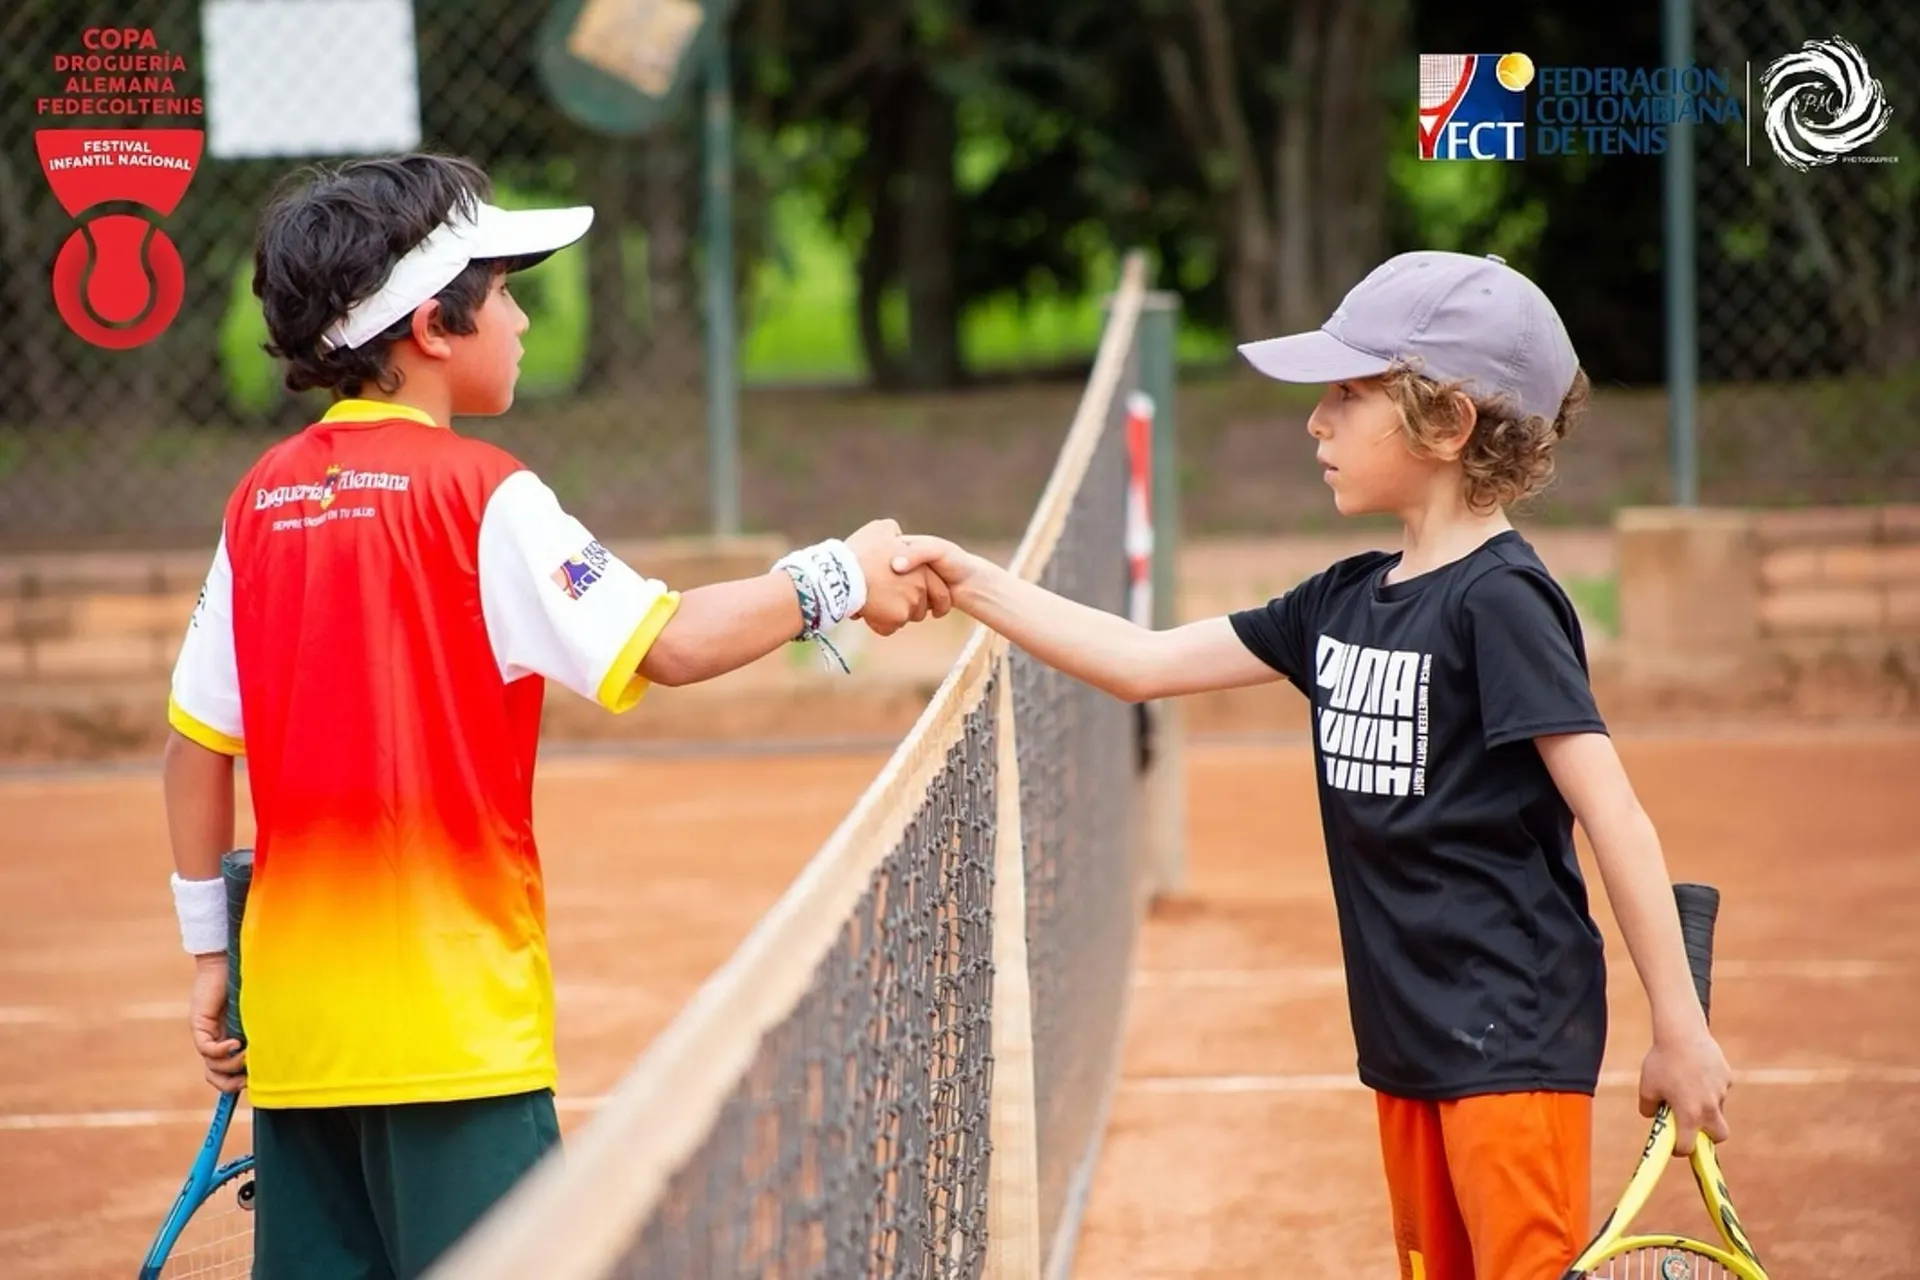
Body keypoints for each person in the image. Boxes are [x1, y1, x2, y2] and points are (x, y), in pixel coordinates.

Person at [162, 151, 945, 1279]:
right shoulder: (486, 495)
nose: (524, 318)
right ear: (433, 326)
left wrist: (209, 954)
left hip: (298, 1033)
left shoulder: (260, 499)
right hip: (455, 1033)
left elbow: (195, 745)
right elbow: (668, 642)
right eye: (505, 291)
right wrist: (840, 576)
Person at [889, 250, 1735, 1279]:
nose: (1315, 421)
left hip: (1512, 1036)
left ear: (1446, 420)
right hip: (1405, 1037)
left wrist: (1678, 1029)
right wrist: (973, 582)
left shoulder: (1503, 603)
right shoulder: (1340, 600)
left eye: (1346, 394)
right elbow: (1141, 663)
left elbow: (1614, 814)